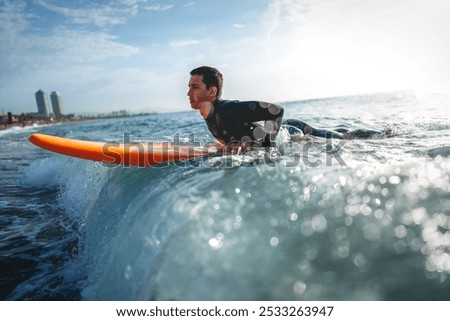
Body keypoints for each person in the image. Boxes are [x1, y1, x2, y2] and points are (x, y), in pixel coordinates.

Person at [188, 66, 392, 149]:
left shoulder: (228, 109)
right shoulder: (210, 114)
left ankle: (386, 135)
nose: (189, 93)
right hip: (286, 130)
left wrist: (268, 149)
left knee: (345, 138)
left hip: (292, 131)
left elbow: (275, 111)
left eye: (195, 87)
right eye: (189, 87)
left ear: (212, 91)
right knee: (338, 134)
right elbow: (238, 133)